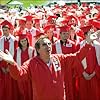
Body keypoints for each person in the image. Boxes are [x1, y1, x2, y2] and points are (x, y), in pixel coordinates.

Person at [0, 34, 97, 100]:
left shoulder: (59, 58)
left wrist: (87, 43)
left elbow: (77, 57)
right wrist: (12, 64)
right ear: (38, 49)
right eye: (44, 45)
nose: (48, 46)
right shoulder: (32, 63)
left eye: (49, 44)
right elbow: (19, 75)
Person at [0, 20, 19, 100]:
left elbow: (15, 54)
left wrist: (9, 67)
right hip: (2, 66)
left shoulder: (14, 40)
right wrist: (1, 67)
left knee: (11, 84)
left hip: (10, 65)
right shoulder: (0, 40)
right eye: (3, 30)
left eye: (6, 30)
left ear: (10, 30)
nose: (4, 32)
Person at [14, 34, 34, 100]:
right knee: (21, 90)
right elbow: (15, 61)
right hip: (21, 73)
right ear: (19, 42)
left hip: (29, 74)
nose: (24, 42)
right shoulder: (17, 50)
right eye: (22, 41)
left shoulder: (32, 50)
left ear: (27, 41)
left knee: (30, 90)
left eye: (25, 40)